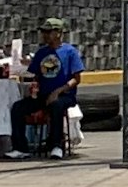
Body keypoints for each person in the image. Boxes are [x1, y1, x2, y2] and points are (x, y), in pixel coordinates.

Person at [15, 18, 85, 160]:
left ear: (58, 33)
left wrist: (58, 91)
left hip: (64, 95)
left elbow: (76, 79)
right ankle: (20, 147)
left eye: (49, 32)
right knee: (18, 108)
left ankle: (56, 145)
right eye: (44, 32)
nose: (45, 35)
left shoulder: (70, 52)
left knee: (56, 105)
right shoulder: (42, 53)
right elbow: (35, 74)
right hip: (43, 94)